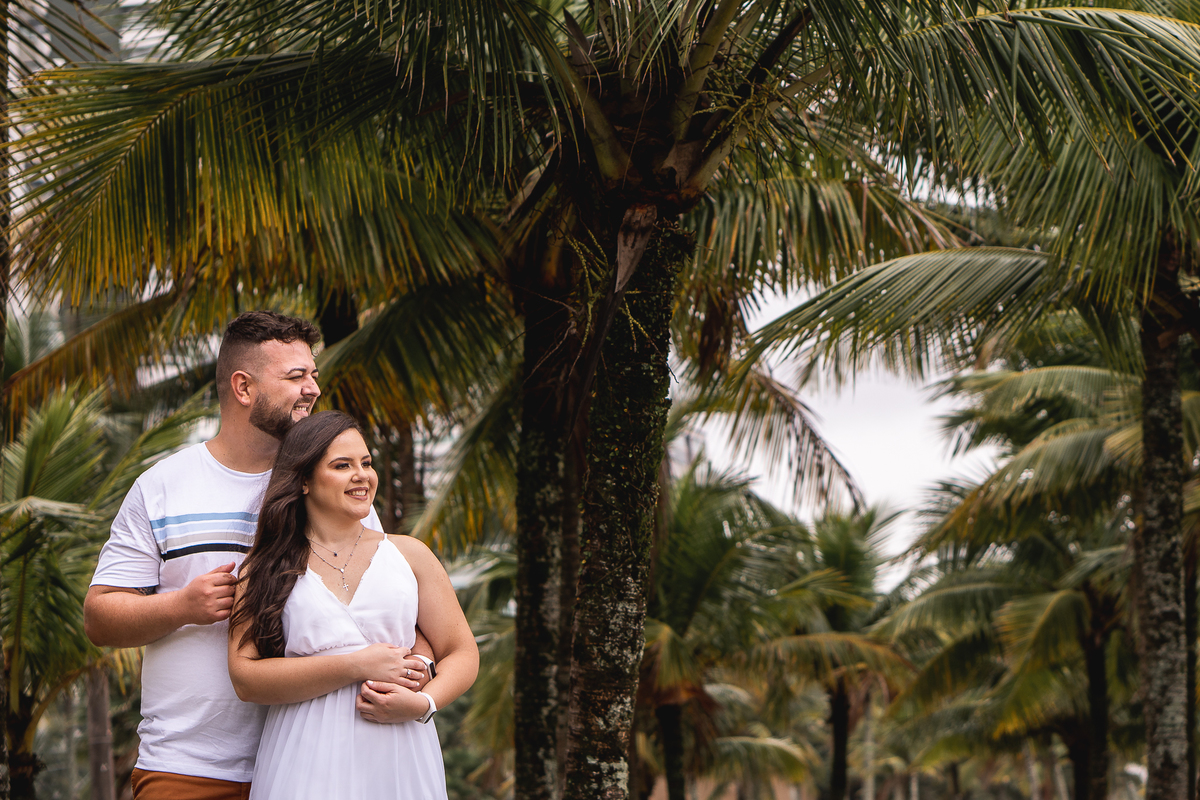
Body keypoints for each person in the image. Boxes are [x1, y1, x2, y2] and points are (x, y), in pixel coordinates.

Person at [84, 311, 434, 800]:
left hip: (324, 762)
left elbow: (387, 610)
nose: (312, 388)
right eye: (296, 376)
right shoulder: (162, 487)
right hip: (191, 765)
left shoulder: (337, 486)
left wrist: (421, 665)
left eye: (313, 374)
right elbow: (99, 618)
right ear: (244, 387)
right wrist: (181, 607)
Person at [227, 411, 478, 800]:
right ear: (305, 480)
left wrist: (422, 704)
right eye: (342, 465)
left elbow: (461, 652)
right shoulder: (263, 569)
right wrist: (356, 665)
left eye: (366, 463)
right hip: (303, 757)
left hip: (400, 753)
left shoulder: (410, 554)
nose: (362, 475)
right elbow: (245, 678)